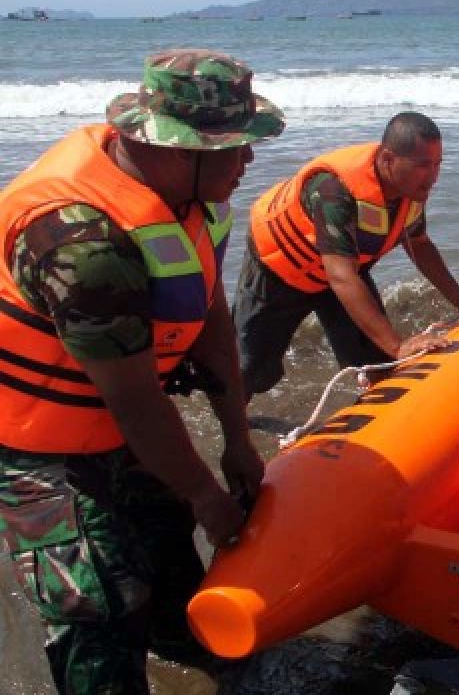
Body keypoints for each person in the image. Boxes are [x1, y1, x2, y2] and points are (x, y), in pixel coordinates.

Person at [0, 49, 283, 694]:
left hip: (119, 405)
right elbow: (134, 403)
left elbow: (208, 311)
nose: (248, 163)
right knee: (95, 602)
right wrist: (207, 493)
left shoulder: (196, 199)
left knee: (163, 536)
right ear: (179, 152)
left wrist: (237, 440)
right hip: (37, 435)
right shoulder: (81, 242)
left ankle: (179, 643)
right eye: (236, 149)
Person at [235, 112, 459, 397]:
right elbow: (340, 275)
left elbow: (419, 244)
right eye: (423, 165)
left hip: (343, 273)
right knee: (249, 369)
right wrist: (398, 345)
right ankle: (234, 433)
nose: (433, 176)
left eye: (437, 165)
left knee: (379, 361)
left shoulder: (409, 191)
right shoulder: (334, 190)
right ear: (388, 159)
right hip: (280, 270)